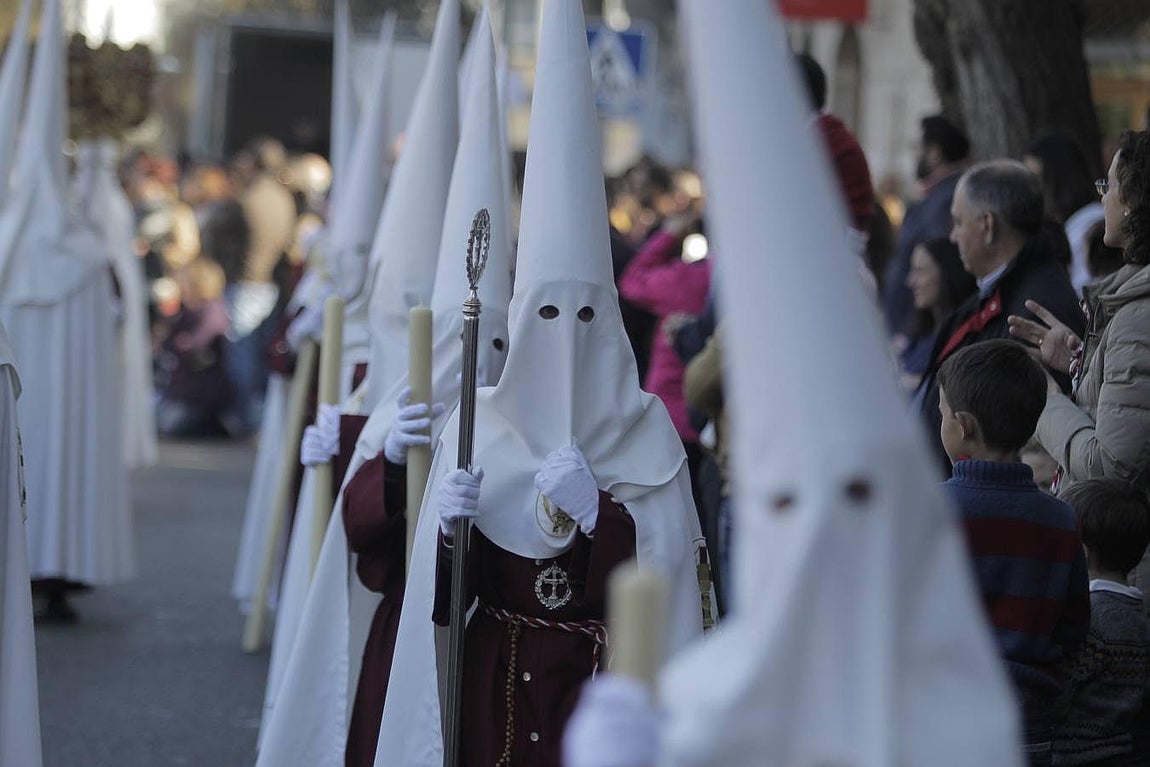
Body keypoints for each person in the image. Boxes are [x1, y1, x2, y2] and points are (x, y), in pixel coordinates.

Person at [566, 2, 1022, 763]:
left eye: (850, 497)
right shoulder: (704, 708)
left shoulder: (960, 720)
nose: (815, 543)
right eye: (790, 504)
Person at [373, 3, 706, 764]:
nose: (564, 337)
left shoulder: (647, 432)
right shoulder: (481, 423)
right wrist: (451, 530)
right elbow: (447, 599)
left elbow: (673, 592)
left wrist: (607, 519)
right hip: (498, 679)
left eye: (585, 314)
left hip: (600, 685)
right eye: (546, 314)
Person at [1009, 129, 1150, 605]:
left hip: (1126, 582)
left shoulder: (1140, 315)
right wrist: (1080, 364)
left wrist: (1047, 402)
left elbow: (1111, 469)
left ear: (1132, 202)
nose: (1103, 198)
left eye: (1108, 187)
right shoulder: (1131, 306)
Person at [937, 340, 1090, 765]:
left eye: (942, 412)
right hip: (1029, 718)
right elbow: (1075, 625)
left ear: (963, 425)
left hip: (947, 711)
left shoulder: (930, 514)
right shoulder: (1060, 519)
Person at [915, 159, 1084, 471]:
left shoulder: (1035, 309)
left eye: (958, 222)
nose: (953, 236)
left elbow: (1025, 435)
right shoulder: (1002, 289)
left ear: (987, 225)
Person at [1054, 478, 1150, 765]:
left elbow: (1058, 695)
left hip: (1076, 756)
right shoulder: (1137, 615)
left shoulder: (1091, 620)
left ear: (1079, 552)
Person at [882, 114, 972, 332]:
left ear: (935, 154)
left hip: (916, 330)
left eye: (919, 148)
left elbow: (936, 264)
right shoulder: (936, 197)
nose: (916, 155)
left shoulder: (945, 200)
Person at [1024, 133, 1104, 294]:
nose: (1030, 189)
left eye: (1036, 178)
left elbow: (1086, 290)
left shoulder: (1093, 224)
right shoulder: (1066, 225)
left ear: (1058, 179)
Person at [897, 237, 976, 389]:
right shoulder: (919, 335)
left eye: (920, 271)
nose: (911, 281)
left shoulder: (965, 337)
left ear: (946, 273)